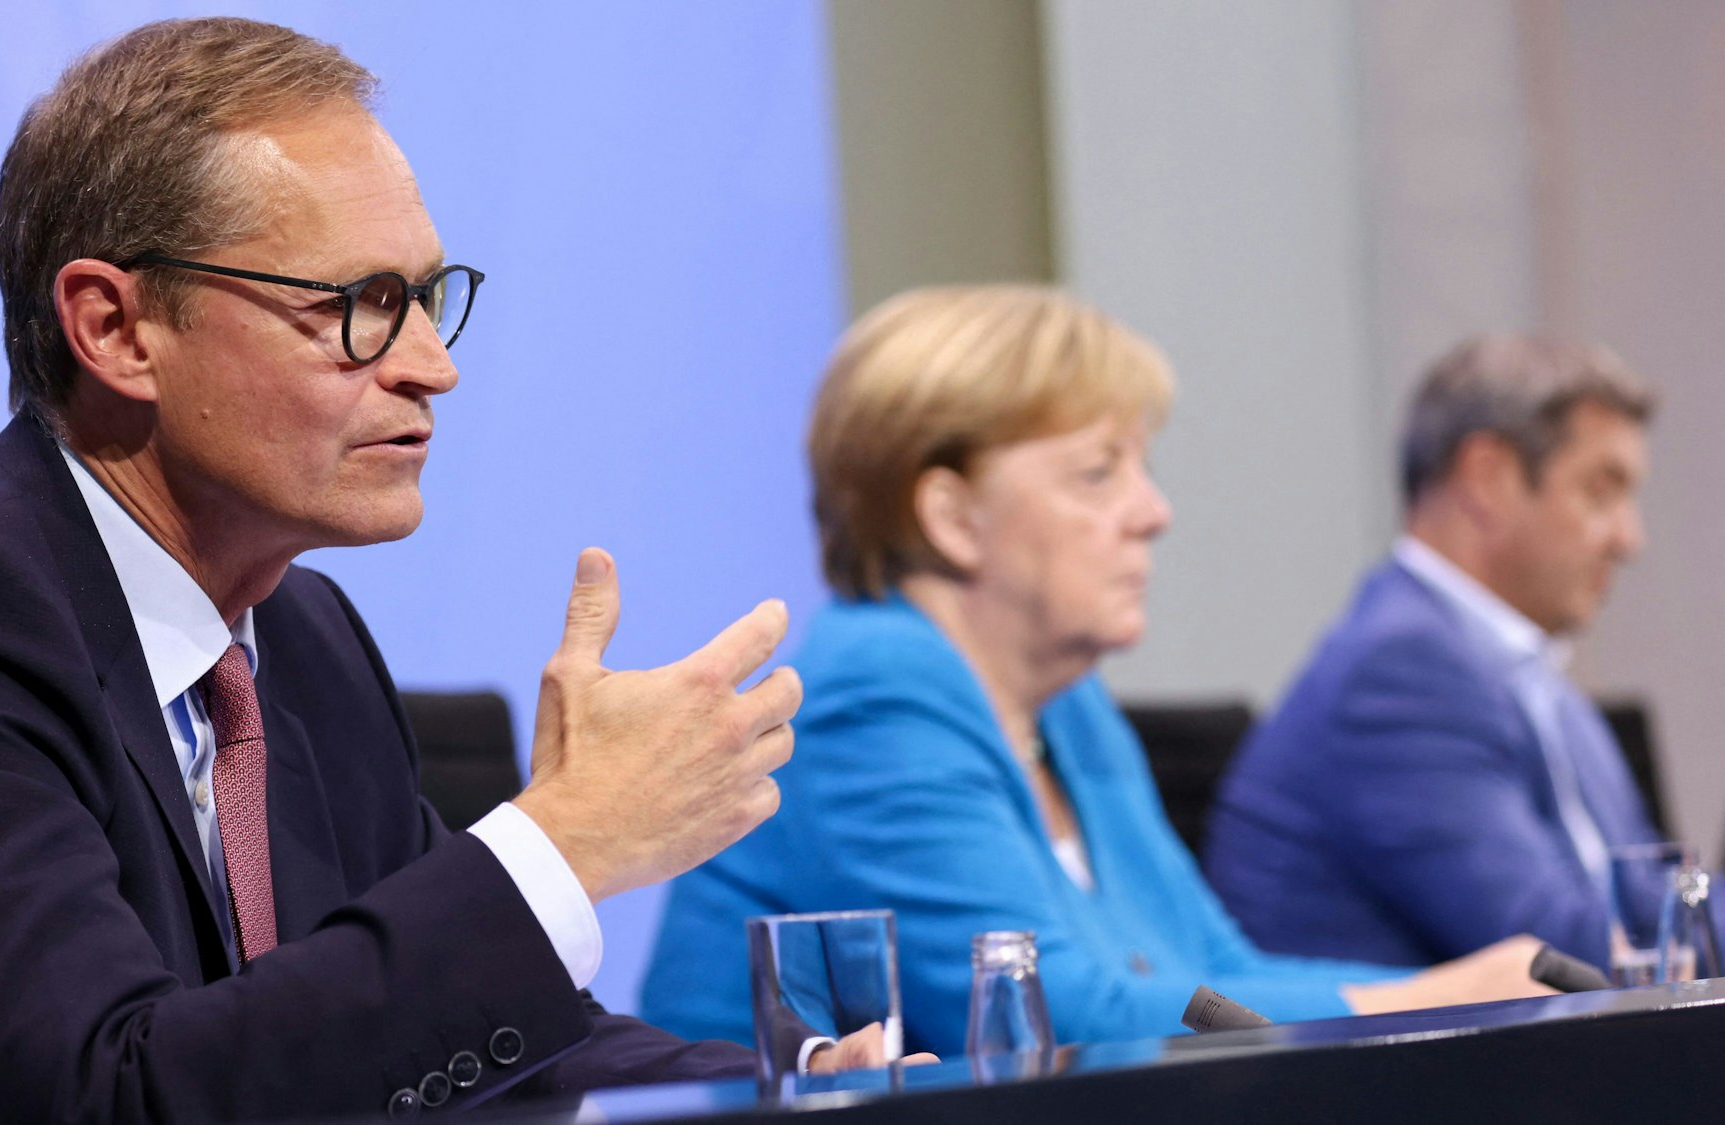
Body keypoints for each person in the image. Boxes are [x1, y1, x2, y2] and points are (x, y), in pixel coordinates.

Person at [0, 17, 894, 1122]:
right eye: (363, 305)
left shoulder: (300, 632)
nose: (431, 366)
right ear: (116, 330)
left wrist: (793, 1089)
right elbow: (113, 1098)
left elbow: (425, 1042)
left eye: (426, 300)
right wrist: (563, 843)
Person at [638, 287, 1546, 1054]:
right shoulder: (873, 696)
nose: (1154, 512)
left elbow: (1212, 970)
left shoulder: (1066, 706)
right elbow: (1058, 1020)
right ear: (952, 516)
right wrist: (1436, 999)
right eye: (1098, 473)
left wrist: (1454, 992)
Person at [1205, 335, 1685, 971]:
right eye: (1600, 492)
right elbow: (1561, 957)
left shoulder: (1536, 681)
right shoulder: (1398, 675)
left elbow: (1653, 904)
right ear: (1488, 479)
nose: (1629, 539)